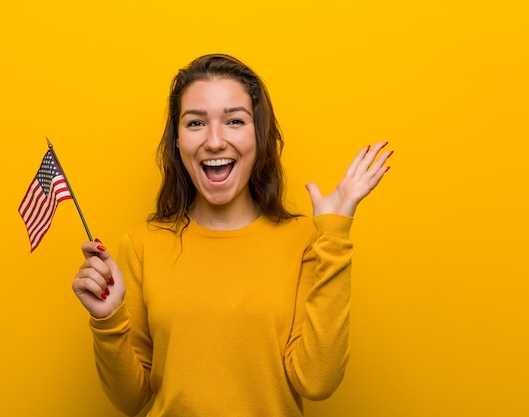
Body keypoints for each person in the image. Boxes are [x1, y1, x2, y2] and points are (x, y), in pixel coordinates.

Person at [72, 54, 392, 417]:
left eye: (234, 121)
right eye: (195, 123)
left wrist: (333, 235)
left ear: (258, 135)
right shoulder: (141, 244)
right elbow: (131, 400)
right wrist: (108, 318)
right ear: (177, 141)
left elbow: (317, 382)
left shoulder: (304, 238)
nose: (214, 141)